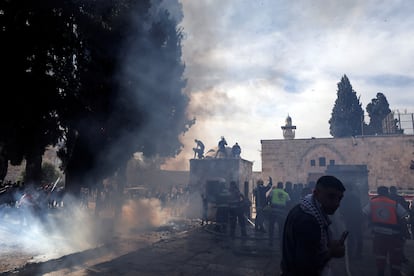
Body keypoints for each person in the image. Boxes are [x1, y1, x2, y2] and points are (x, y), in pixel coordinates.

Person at [280, 175, 346, 276]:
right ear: (316, 193)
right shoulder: (308, 221)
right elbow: (305, 266)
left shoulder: (303, 208)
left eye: (339, 198)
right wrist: (331, 252)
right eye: (331, 197)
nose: (337, 203)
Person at [363, 186, 409, 276]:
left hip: (378, 234)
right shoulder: (394, 203)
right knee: (395, 258)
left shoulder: (372, 202)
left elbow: (364, 214)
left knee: (380, 256)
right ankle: (395, 273)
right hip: (393, 235)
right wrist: (405, 233)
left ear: (378, 192)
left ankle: (380, 273)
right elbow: (404, 217)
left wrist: (369, 225)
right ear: (387, 193)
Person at [338, 183, 363, 260]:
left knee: (351, 237)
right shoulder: (356, 197)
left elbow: (342, 209)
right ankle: (358, 254)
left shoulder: (344, 198)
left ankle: (350, 254)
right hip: (357, 218)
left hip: (349, 219)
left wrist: (342, 216)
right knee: (358, 236)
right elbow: (359, 208)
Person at [268, 181, 290, 246]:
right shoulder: (286, 194)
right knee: (281, 227)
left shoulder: (273, 191)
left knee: (271, 226)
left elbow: (268, 198)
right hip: (282, 211)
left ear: (277, 186)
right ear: (282, 186)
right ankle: (281, 241)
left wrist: (269, 205)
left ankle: (271, 241)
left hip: (273, 210)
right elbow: (288, 202)